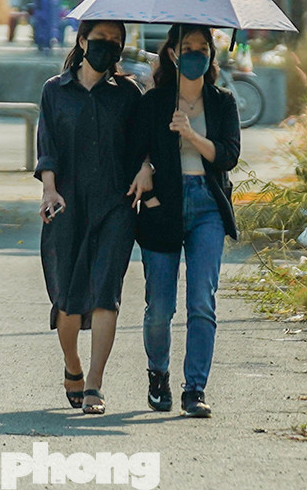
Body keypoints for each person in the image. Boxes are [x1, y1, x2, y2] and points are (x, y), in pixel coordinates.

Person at [35, 19, 147, 416]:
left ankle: (95, 384)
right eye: (100, 40)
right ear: (82, 41)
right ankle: (73, 366)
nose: (108, 48)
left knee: (105, 295)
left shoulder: (129, 93)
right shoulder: (55, 91)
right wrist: (49, 188)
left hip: (115, 206)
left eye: (116, 42)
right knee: (67, 300)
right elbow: (46, 145)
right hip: (67, 204)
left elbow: (144, 142)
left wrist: (146, 166)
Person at [132, 23, 241, 419]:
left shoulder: (223, 101)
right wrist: (146, 170)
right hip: (164, 204)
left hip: (207, 206)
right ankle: (157, 373)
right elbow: (135, 149)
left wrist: (192, 136)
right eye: (187, 47)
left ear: (211, 54)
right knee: (160, 306)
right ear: (173, 54)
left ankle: (194, 388)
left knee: (201, 302)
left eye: (203, 47)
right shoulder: (155, 101)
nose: (196, 53)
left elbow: (227, 156)